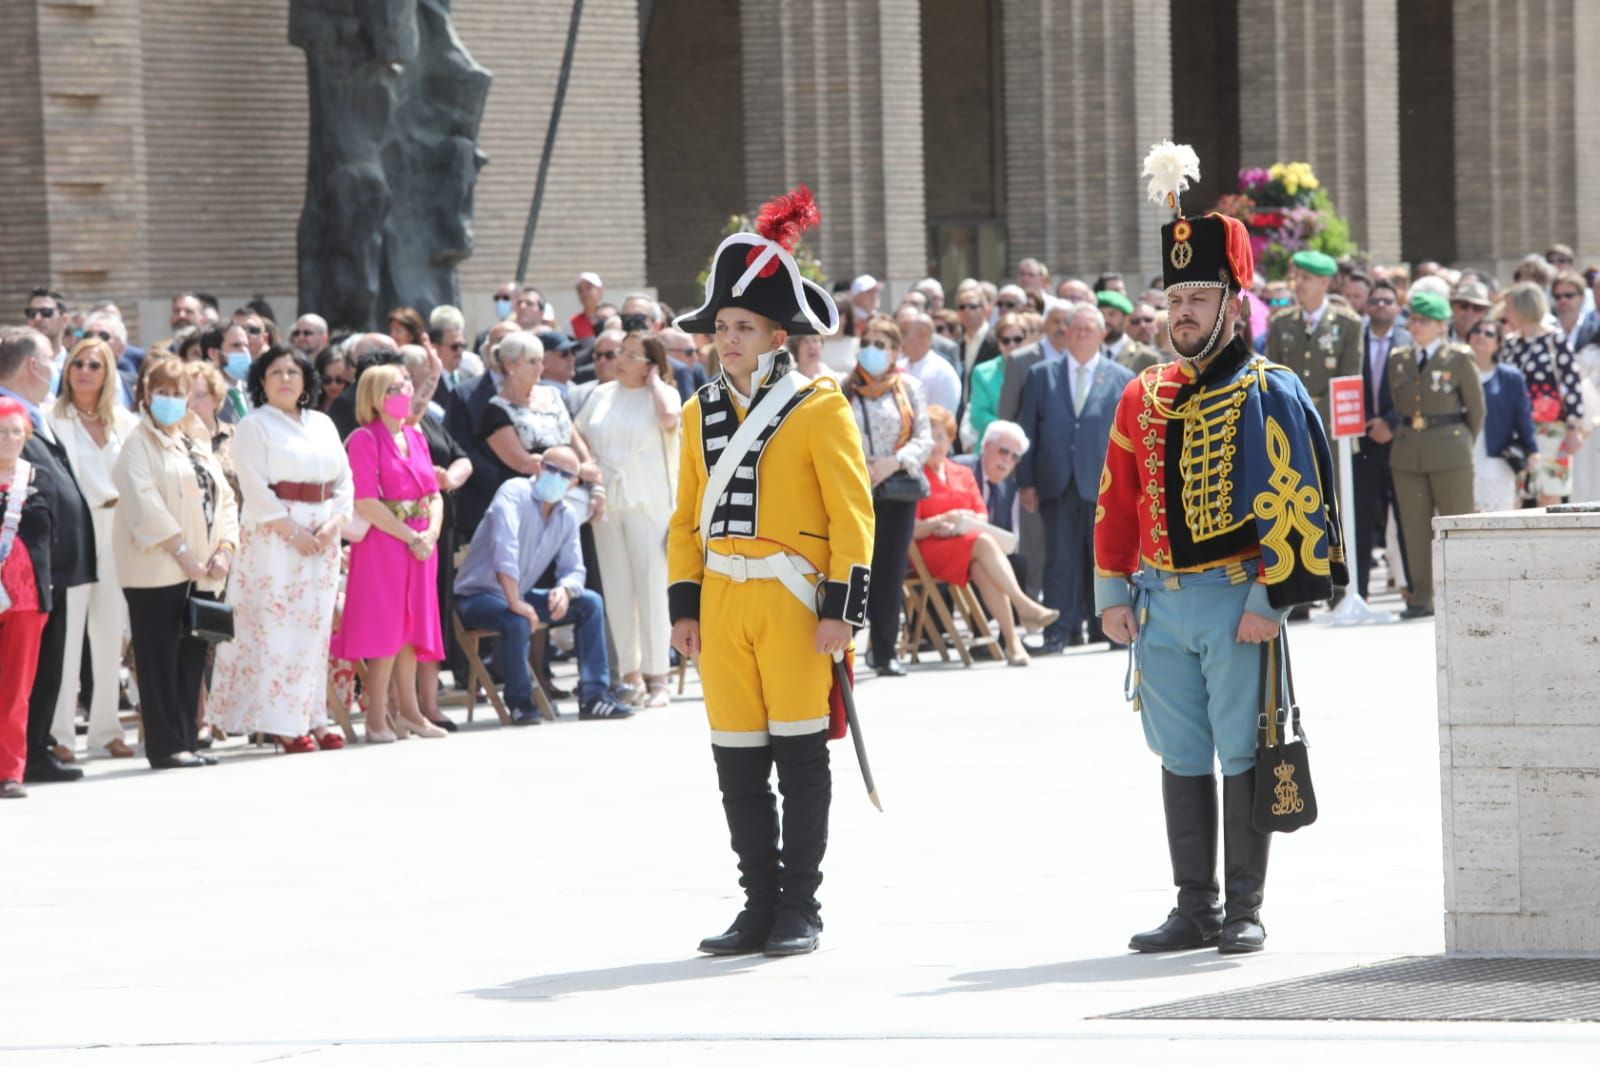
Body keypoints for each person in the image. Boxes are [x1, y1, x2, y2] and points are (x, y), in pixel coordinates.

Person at [1096, 148, 1348, 956]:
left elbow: (1301, 497)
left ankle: (1244, 906)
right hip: (1159, 603)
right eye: (1175, 298)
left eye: (1200, 296)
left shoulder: (1269, 388)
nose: (1184, 312)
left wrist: (1271, 600)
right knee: (1178, 754)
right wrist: (1110, 590)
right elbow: (1117, 496)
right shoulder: (1143, 393)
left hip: (1238, 597)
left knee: (1243, 750)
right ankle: (1192, 903)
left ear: (1234, 304)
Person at [668, 188, 874, 958]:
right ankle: (756, 901)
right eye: (720, 326)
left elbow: (855, 517)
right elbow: (687, 518)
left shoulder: (819, 406)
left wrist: (840, 609)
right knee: (737, 761)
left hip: (795, 603)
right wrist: (683, 607)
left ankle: (800, 906)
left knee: (799, 757)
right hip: (721, 603)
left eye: (741, 326)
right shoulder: (697, 412)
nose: (726, 338)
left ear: (776, 334)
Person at [208, 347, 352, 752]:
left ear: (307, 380)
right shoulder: (255, 425)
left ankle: (314, 714)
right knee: (279, 626)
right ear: (262, 380)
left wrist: (334, 523)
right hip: (276, 535)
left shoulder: (322, 422)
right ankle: (281, 722)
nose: (285, 379)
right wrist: (292, 532)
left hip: (323, 532)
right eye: (276, 372)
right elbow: (253, 488)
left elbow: (345, 480)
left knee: (315, 626)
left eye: (293, 371)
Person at [113, 358, 240, 770]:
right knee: (159, 658)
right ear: (148, 395)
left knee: (191, 655)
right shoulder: (137, 442)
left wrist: (224, 548)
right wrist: (182, 551)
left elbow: (223, 498)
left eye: (178, 393)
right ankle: (166, 746)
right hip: (158, 569)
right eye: (162, 392)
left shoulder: (194, 440)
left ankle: (187, 736)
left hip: (204, 570)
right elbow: (143, 502)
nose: (170, 400)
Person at [454, 445, 629, 723]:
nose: (556, 477)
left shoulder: (568, 514)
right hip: (477, 596)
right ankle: (522, 703)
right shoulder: (513, 492)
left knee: (589, 603)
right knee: (516, 619)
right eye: (551, 469)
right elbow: (504, 548)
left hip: (517, 595)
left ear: (574, 483)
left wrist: (564, 590)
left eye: (565, 474)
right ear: (538, 468)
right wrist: (515, 602)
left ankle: (595, 696)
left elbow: (574, 569)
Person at [0, 326, 96, 784]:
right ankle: (22, 755)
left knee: (43, 669)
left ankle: (32, 749)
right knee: (21, 673)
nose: (60, 363)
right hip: (18, 573)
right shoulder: (8, 416)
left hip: (44, 569)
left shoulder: (36, 414)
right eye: (52, 356)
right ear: (33, 366)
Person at [332, 364, 447, 742]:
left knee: (412, 631)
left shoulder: (415, 436)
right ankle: (377, 717)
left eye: (404, 384)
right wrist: (408, 536)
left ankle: (411, 713)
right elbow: (366, 501)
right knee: (386, 630)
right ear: (375, 398)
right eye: (393, 388)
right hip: (385, 543)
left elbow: (432, 493)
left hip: (420, 543)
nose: (403, 391)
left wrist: (429, 533)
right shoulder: (364, 439)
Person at [1019, 303, 1135, 651]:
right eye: (1076, 328)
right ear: (1066, 334)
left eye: (1089, 328)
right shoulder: (1042, 374)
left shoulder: (1120, 377)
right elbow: (1028, 430)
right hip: (1055, 479)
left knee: (1103, 557)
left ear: (1103, 334)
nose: (1082, 333)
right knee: (1059, 558)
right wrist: (1026, 481)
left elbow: (1128, 435)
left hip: (1104, 482)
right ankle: (1058, 631)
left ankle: (1106, 629)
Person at [575, 331, 681, 709]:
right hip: (608, 502)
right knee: (618, 591)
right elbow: (577, 430)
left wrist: (653, 381)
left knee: (652, 588)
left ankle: (659, 677)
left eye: (632, 355)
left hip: (648, 503)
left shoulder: (663, 395)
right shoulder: (601, 395)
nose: (619, 359)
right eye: (621, 351)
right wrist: (587, 463)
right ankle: (631, 675)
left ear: (650, 364)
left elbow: (670, 416)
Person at [46, 338, 140, 759]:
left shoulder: (125, 421)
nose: (84, 370)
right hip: (72, 529)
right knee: (67, 637)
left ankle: (106, 728)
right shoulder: (50, 418)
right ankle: (60, 733)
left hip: (117, 526)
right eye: (77, 363)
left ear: (108, 374)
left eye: (94, 365)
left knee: (109, 634)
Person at [914, 405, 1056, 665]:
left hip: (963, 545)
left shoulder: (961, 473)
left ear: (950, 440)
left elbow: (981, 516)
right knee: (982, 542)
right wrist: (942, 521)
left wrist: (960, 522)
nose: (936, 444)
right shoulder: (915, 474)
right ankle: (1024, 606)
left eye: (941, 437)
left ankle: (1013, 647)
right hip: (927, 550)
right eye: (930, 437)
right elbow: (912, 528)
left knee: (982, 567)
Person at [1386, 290, 1487, 618]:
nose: (1416, 326)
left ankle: (1465, 594)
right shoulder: (1399, 358)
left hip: (1449, 448)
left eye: (1424, 321)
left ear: (1442, 325)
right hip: (1407, 452)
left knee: (1457, 523)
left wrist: (1459, 442)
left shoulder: (1458, 357)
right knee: (1414, 529)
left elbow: (1476, 410)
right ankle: (1421, 596)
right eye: (1413, 319)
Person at [845, 315, 932, 677]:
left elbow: (924, 438)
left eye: (881, 345)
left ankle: (884, 651)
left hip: (896, 489)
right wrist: (859, 464)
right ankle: (845, 647)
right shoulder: (843, 388)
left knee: (890, 571)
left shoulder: (908, 388)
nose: (873, 351)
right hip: (854, 489)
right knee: (853, 569)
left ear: (896, 351)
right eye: (868, 342)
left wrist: (893, 462)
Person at [0, 398, 52, 797]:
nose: (9, 439)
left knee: (16, 688)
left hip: (27, 599)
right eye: (2, 431)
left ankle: (10, 771)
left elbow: (55, 536)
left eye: (16, 431)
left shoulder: (40, 477)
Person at [1349, 279, 1412, 601]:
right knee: (1359, 519)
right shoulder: (1354, 341)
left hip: (1399, 441)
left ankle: (1411, 589)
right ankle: (1357, 593)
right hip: (1361, 443)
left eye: (1388, 301)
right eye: (1376, 301)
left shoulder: (1408, 341)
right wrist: (1362, 423)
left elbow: (1415, 390)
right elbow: (1343, 384)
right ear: (1367, 306)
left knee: (1405, 517)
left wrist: (1389, 422)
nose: (1382, 306)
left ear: (1398, 308)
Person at [1500, 282, 1584, 506]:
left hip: (1552, 429)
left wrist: (1574, 427)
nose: (1505, 313)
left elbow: (1571, 384)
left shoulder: (1555, 340)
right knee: (1517, 493)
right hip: (1517, 430)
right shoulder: (1510, 344)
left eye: (1509, 307)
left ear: (1523, 307)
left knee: (1550, 493)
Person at [1264, 249, 1364, 432]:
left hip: (1332, 425)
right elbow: (1273, 375)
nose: (1298, 284)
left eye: (1306, 278)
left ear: (1324, 282)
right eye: (1296, 277)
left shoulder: (1349, 323)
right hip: (1290, 421)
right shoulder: (1281, 323)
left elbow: (1348, 379)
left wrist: (1313, 415)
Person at [1466, 317, 1537, 512]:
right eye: (1476, 331)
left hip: (1497, 459)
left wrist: (1531, 450)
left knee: (1497, 520)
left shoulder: (1510, 377)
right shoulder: (1456, 373)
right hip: (1460, 457)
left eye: (1489, 333)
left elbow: (1522, 416)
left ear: (1498, 343)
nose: (1481, 336)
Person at [952, 419, 1031, 587]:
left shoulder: (1008, 486)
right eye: (1004, 451)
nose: (1007, 460)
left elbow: (1006, 533)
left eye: (1015, 456)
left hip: (986, 554)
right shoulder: (959, 469)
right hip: (954, 547)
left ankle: (1015, 614)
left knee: (1018, 564)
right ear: (987, 445)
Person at [960, 311, 1028, 449]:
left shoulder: (1037, 371)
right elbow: (978, 416)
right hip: (993, 448)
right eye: (1006, 340)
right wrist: (1012, 432)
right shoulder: (983, 372)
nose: (1012, 345)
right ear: (998, 343)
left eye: (1018, 339)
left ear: (1026, 340)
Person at [187, 359, 242, 506]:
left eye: (199, 396)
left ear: (215, 398)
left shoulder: (236, 436)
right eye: (186, 397)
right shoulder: (176, 441)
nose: (192, 405)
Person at [314, 347, 352, 412]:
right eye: (327, 380)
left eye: (339, 380)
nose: (333, 385)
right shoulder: (311, 405)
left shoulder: (355, 406)